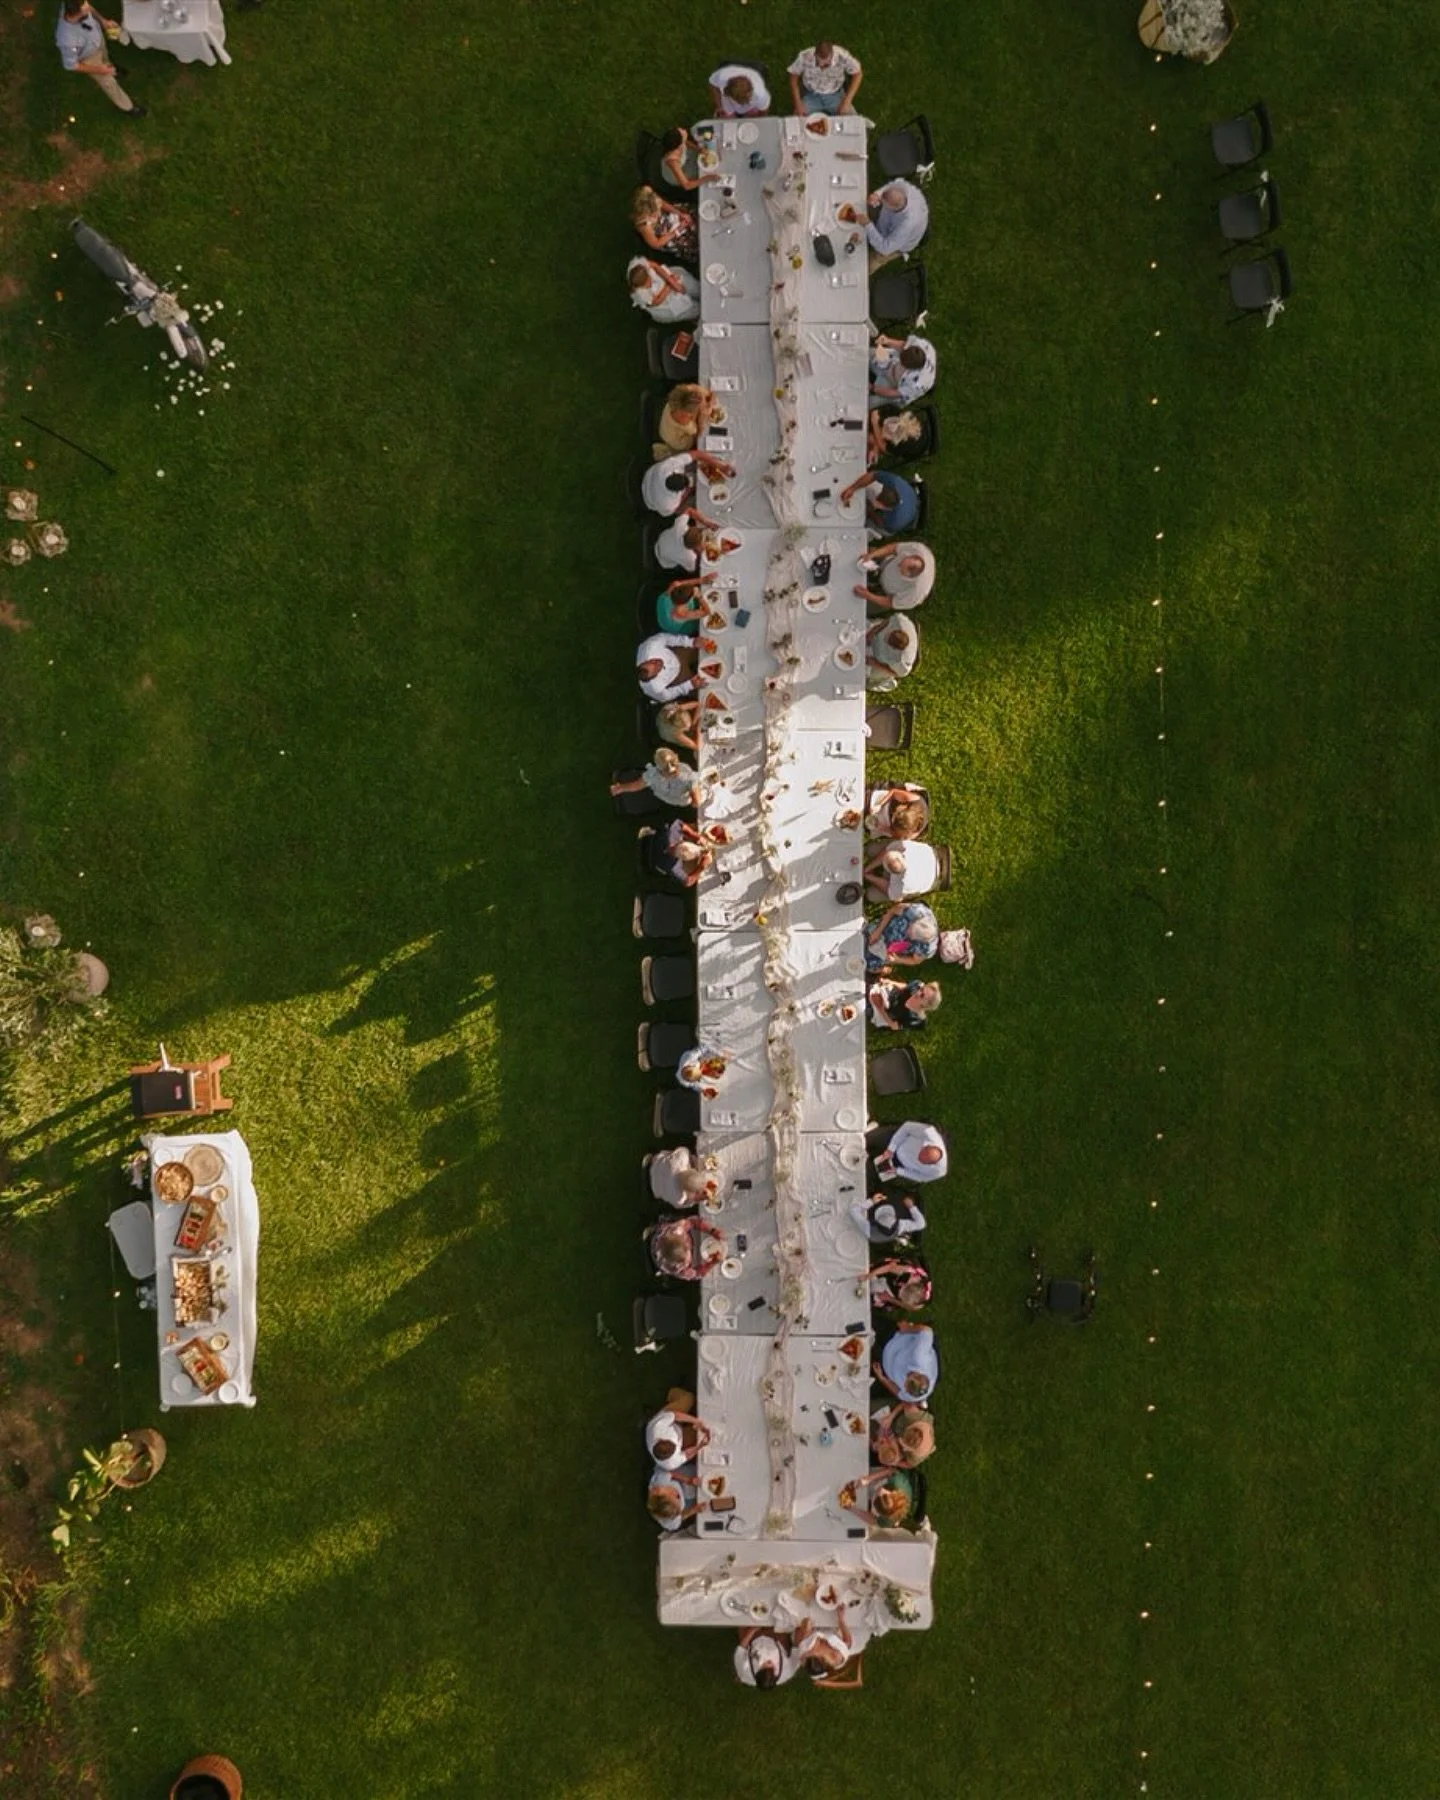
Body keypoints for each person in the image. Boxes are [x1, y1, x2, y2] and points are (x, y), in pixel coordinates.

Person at [55, 1, 146, 116]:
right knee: (109, 83)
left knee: (105, 58)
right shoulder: (67, 40)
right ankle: (128, 107)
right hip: (89, 58)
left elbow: (90, 8)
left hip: (97, 40)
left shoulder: (74, 5)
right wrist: (100, 70)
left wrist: (103, 21)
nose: (88, 7)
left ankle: (112, 69)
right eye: (85, 9)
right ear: (76, 13)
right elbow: (71, 65)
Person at [850, 181, 929, 272]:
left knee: (865, 267)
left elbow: (885, 248)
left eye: (882, 203)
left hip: (895, 245)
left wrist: (867, 225)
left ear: (893, 208)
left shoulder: (907, 224)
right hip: (886, 223)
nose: (879, 202)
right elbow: (892, 184)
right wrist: (877, 194)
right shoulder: (905, 189)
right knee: (858, 206)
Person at [643, 449, 734, 518]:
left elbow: (696, 454)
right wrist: (689, 491)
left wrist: (720, 466)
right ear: (678, 492)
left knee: (694, 460)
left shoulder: (668, 467)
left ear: (673, 473)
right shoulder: (669, 502)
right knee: (696, 503)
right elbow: (677, 507)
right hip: (654, 503)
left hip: (649, 477)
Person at [609, 747, 702, 809]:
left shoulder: (653, 775)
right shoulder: (687, 776)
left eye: (674, 766)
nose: (673, 770)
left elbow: (637, 785)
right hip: (682, 799)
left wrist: (621, 788)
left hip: (669, 795)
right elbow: (696, 803)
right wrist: (621, 788)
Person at [787, 40, 863, 115]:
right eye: (817, 63)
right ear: (815, 54)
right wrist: (797, 103)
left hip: (835, 94)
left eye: (826, 65)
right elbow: (793, 76)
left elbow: (857, 74)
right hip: (811, 95)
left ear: (832, 55)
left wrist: (847, 101)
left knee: (851, 118)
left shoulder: (842, 56)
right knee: (798, 117)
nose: (821, 66)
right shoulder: (804, 56)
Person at [839, 467, 920, 537]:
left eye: (879, 501)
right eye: (879, 495)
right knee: (867, 485)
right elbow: (873, 475)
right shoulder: (894, 481)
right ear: (889, 487)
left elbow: (880, 523)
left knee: (866, 527)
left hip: (890, 524)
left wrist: (871, 513)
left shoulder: (895, 521)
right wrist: (852, 489)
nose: (876, 498)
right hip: (910, 495)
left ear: (888, 508)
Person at [855, 541, 936, 611]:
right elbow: (894, 548)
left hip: (885, 594)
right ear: (913, 556)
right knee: (858, 552)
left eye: (901, 569)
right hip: (885, 562)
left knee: (858, 604)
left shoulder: (915, 593)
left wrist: (868, 595)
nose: (898, 565)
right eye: (901, 562)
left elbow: (890, 602)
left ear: (909, 578)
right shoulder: (918, 549)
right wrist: (872, 555)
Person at [840, 1465, 925, 1531]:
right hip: (887, 1476)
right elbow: (890, 1470)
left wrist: (852, 1509)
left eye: (876, 1496)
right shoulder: (896, 1482)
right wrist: (868, 1479)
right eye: (882, 1493)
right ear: (891, 1493)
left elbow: (873, 1520)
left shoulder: (887, 1521)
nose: (880, 1490)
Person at [865, 900, 939, 972]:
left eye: (910, 935)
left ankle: (884, 970)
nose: (907, 932)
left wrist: (897, 960)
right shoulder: (916, 911)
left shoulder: (926, 948)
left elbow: (915, 961)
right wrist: (878, 931)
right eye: (909, 927)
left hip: (888, 951)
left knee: (868, 965)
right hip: (882, 928)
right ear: (915, 920)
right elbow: (892, 910)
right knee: (863, 936)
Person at [631, 185, 699, 263]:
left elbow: (663, 204)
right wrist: (678, 230)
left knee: (695, 213)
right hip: (666, 235)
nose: (659, 214)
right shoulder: (643, 225)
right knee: (694, 243)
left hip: (669, 216)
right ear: (647, 213)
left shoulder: (650, 195)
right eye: (656, 213)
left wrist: (680, 214)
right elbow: (656, 244)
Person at [876, 1321, 940, 1402]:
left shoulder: (914, 1395)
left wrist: (882, 1378)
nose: (905, 1377)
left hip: (884, 1368)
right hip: (894, 1341)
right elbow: (927, 1331)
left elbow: (899, 1393)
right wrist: (907, 1328)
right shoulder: (919, 1357)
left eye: (905, 1387)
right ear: (918, 1374)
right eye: (908, 1377)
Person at [792, 1605, 861, 1679]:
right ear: (822, 1659)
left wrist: (806, 1628)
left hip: (815, 1628)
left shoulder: (805, 1653)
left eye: (808, 1654)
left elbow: (804, 1630)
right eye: (809, 1654)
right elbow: (848, 1642)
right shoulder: (836, 1657)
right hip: (830, 1631)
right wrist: (841, 1619)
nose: (808, 1652)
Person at [648, 1215, 725, 1280]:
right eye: (688, 1250)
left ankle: (652, 1231)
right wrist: (712, 1263)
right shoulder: (680, 1269)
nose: (690, 1246)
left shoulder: (676, 1230)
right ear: (681, 1262)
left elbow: (693, 1222)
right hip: (662, 1258)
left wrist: (712, 1231)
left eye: (687, 1243)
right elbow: (697, 1274)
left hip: (661, 1238)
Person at [870, 1120, 948, 1184]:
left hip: (900, 1166)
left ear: (931, 1164)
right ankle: (873, 1130)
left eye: (923, 1161)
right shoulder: (928, 1132)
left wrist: (898, 1171)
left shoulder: (938, 1171)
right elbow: (907, 1127)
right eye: (922, 1153)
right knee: (869, 1139)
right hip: (897, 1140)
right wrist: (891, 1149)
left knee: (870, 1173)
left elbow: (921, 1177)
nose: (919, 1157)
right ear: (926, 1146)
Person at [627, 257, 700, 324]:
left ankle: (699, 292)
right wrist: (668, 287)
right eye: (646, 285)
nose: (648, 284)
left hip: (664, 278)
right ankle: (697, 312)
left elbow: (656, 266)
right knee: (689, 308)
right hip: (663, 300)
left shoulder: (641, 265)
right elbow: (656, 301)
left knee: (691, 286)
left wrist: (672, 282)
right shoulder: (641, 294)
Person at [864, 836, 938, 901]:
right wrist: (869, 867)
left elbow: (892, 893)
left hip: (930, 881)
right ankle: (877, 871)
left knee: (871, 895)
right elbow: (888, 850)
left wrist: (870, 878)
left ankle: (880, 875)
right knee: (871, 849)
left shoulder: (905, 884)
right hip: (930, 855)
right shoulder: (904, 847)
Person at [643, 818, 713, 887]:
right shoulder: (673, 866)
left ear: (678, 843)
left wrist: (694, 835)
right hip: (650, 860)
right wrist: (701, 867)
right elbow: (687, 882)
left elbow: (679, 824)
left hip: (649, 842)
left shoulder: (670, 834)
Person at [654, 383, 718, 458]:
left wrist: (708, 398)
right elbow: (698, 433)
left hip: (667, 429)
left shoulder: (679, 397)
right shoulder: (683, 418)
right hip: (680, 443)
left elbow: (695, 388)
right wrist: (703, 418)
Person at [871, 334, 937, 406]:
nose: (901, 363)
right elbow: (903, 345)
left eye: (903, 364)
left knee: (869, 401)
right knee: (865, 352)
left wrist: (873, 389)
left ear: (911, 369)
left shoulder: (915, 385)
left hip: (893, 385)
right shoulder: (923, 345)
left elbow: (895, 393)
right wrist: (887, 341)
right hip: (891, 361)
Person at [636, 632, 702, 703]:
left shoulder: (652, 645)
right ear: (654, 677)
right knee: (703, 690)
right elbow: (669, 695)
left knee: (704, 644)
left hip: (677, 653)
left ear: (644, 661)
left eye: (652, 661)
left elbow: (668, 638)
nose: (658, 663)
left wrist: (691, 642)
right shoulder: (654, 688)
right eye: (656, 669)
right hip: (678, 678)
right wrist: (690, 685)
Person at [647, 1145, 717, 1208]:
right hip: (653, 1188)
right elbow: (687, 1203)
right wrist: (697, 1198)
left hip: (655, 1165)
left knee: (671, 1156)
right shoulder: (679, 1198)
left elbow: (684, 1150)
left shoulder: (682, 1158)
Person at [646, 1402, 710, 1471]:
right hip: (681, 1434)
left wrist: (697, 1421)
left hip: (669, 1419)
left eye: (670, 1442)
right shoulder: (670, 1463)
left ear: (660, 1440)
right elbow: (687, 1455)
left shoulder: (656, 1428)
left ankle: (671, 1399)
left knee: (688, 1399)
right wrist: (700, 1446)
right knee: (700, 1435)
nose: (675, 1442)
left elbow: (675, 1416)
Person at [872, 1401, 936, 1469]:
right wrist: (890, 1417)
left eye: (904, 1446)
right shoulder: (916, 1418)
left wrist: (895, 1463)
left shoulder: (917, 1456)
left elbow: (909, 1465)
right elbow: (906, 1403)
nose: (904, 1448)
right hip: (899, 1421)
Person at [865, 616, 920, 690]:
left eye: (888, 641)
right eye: (889, 635)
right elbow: (886, 621)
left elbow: (896, 674)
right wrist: (873, 632)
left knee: (865, 671)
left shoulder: (900, 661)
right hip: (874, 637)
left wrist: (875, 664)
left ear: (894, 649)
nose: (885, 638)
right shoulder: (899, 621)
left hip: (877, 661)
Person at [734, 1627, 800, 1689]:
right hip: (776, 1637)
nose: (771, 1663)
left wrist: (752, 1631)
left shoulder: (744, 1672)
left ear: (758, 1671)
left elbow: (740, 1649)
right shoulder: (787, 1672)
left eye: (766, 1664)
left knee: (741, 1622)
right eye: (773, 1667)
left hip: (754, 1639)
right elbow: (796, 1649)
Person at [868, 976, 941, 1031]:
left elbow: (894, 1026)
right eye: (921, 989)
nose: (918, 992)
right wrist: (890, 982)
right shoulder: (917, 985)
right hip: (887, 994)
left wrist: (880, 1008)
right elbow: (905, 986)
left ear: (925, 1005)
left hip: (882, 1013)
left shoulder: (915, 1019)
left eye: (922, 995)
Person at [849, 1192, 926, 1243]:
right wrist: (911, 1206)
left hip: (874, 1236)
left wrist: (871, 1201)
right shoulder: (901, 1225)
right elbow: (921, 1224)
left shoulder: (868, 1228)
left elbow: (853, 1211)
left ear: (876, 1221)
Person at [648, 1465, 702, 1530]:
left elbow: (671, 1474)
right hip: (686, 1500)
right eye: (678, 1500)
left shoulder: (660, 1484)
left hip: (677, 1480)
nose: (677, 1496)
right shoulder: (670, 1522)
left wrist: (688, 1480)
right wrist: (693, 1510)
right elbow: (680, 1517)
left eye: (675, 1497)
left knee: (699, 1472)